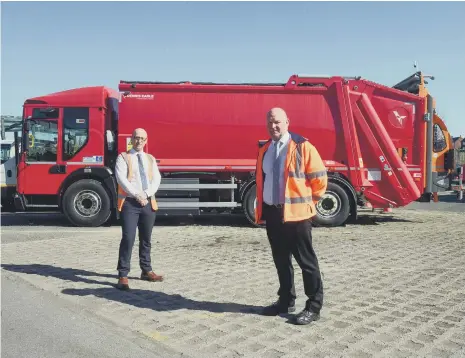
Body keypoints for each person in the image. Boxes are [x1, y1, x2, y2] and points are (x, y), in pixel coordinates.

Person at [254, 107, 328, 325]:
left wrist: (307, 204)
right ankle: (285, 300)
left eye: (277, 122)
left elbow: (320, 180)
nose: (273, 126)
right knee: (281, 261)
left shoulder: (302, 146)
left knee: (307, 262)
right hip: (273, 212)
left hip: (297, 216)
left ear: (287, 122)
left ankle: (314, 306)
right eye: (269, 123)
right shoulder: (265, 149)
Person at [115, 128, 163, 290]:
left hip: (148, 203)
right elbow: (121, 179)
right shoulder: (123, 157)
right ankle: (123, 274)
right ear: (131, 139)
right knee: (128, 238)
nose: (139, 141)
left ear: (146, 140)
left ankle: (146, 270)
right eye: (136, 138)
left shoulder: (150, 158)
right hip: (130, 203)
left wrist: (146, 194)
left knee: (146, 239)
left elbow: (156, 179)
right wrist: (137, 195)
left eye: (142, 138)